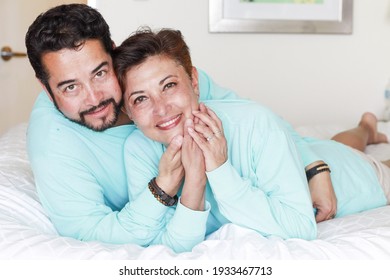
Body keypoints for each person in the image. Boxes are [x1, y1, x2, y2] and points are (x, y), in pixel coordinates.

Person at [23, 3, 360, 247]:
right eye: (70, 87)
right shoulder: (56, 147)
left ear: (112, 55)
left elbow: (253, 116)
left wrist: (314, 166)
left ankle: (367, 129)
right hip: (237, 192)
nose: (94, 97)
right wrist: (166, 188)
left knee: (351, 156)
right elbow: (98, 235)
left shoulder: (156, 75)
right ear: (46, 87)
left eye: (99, 73)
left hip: (331, 174)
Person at [113, 27, 390, 253]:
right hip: (303, 154)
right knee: (336, 142)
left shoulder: (254, 120)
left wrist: (220, 170)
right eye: (141, 99)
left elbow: (300, 227)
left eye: (169, 85)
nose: (161, 109)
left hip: (351, 177)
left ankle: (366, 129)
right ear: (127, 110)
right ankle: (366, 126)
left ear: (194, 82)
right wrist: (194, 183)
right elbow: (165, 247)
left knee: (360, 158)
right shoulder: (137, 149)